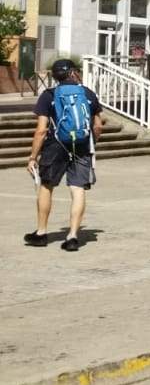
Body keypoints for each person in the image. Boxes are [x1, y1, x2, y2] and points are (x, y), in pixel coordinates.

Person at [24, 58, 104, 251]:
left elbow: (41, 130)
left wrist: (33, 157)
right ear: (73, 72)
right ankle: (73, 237)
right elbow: (98, 125)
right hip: (82, 145)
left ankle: (41, 233)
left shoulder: (48, 95)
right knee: (77, 189)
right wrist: (91, 142)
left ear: (55, 76)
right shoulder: (87, 93)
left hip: (55, 145)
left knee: (46, 186)